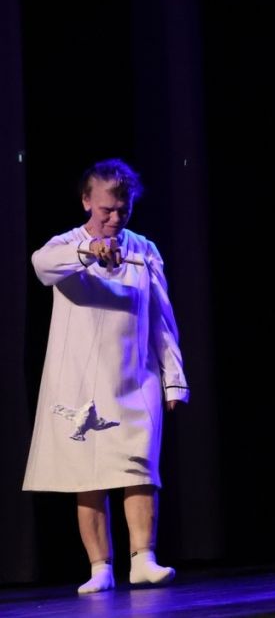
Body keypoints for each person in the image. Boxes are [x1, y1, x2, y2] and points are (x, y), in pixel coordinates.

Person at [24, 159, 188, 594]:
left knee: (139, 467)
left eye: (122, 210)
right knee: (88, 476)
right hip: (78, 380)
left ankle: (143, 559)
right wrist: (88, 251)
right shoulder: (66, 245)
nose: (114, 218)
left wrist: (174, 378)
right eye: (106, 210)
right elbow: (42, 266)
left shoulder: (144, 250)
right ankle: (100, 567)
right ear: (86, 201)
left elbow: (162, 319)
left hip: (136, 376)